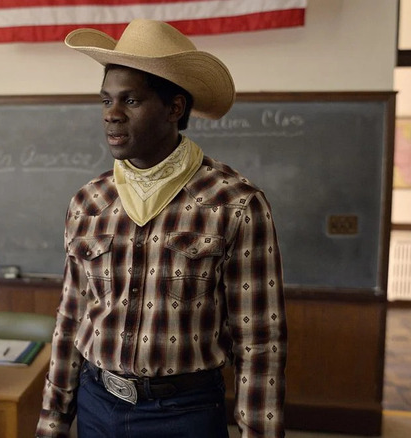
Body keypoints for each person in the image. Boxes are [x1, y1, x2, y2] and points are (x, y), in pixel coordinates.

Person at [36, 19, 287, 438]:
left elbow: (260, 342)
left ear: (175, 107)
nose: (111, 115)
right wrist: (52, 421)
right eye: (106, 101)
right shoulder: (89, 202)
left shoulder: (234, 203)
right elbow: (71, 321)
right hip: (97, 405)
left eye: (130, 100)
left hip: (185, 412)